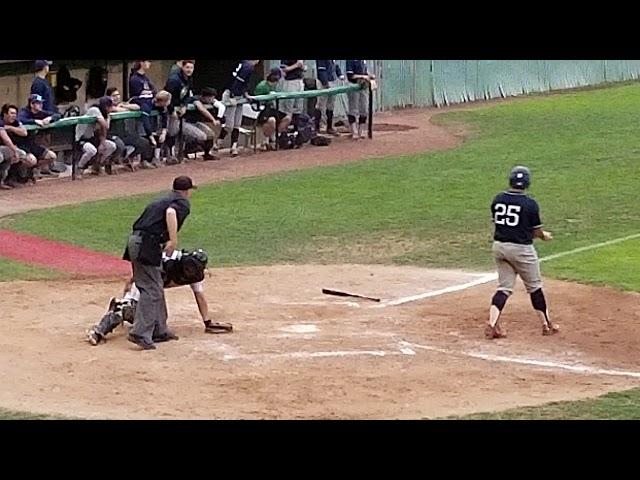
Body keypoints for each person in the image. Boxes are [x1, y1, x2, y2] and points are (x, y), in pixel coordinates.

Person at [86, 248, 233, 346]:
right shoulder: (169, 259)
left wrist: (207, 322)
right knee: (129, 309)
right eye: (189, 267)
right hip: (144, 281)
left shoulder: (196, 275)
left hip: (156, 289)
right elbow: (143, 265)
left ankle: (128, 311)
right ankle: (100, 329)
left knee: (157, 330)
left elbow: (199, 296)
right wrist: (129, 283)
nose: (190, 271)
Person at [122, 176, 196, 350]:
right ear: (186, 191)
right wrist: (173, 240)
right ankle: (140, 332)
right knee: (151, 289)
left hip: (138, 241)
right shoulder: (180, 202)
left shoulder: (164, 197)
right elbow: (170, 213)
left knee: (155, 284)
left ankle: (159, 329)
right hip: (146, 243)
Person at [485, 166, 560, 339]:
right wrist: (544, 236)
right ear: (527, 183)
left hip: (500, 247)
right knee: (534, 287)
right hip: (522, 250)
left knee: (504, 288)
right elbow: (536, 231)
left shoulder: (498, 199)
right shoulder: (530, 204)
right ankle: (546, 325)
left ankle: (492, 323)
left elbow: (497, 222)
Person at [221, 60, 260, 157]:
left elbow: (243, 83)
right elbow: (238, 81)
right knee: (229, 125)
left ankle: (233, 147)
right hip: (231, 93)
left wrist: (245, 94)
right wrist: (232, 95)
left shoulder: (245, 63)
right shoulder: (248, 66)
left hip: (238, 94)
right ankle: (216, 145)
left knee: (237, 123)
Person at [252, 68, 288, 151]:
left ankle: (274, 139)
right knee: (272, 120)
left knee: (287, 118)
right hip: (261, 111)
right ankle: (266, 141)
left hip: (271, 109)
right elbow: (256, 101)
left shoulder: (275, 86)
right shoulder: (262, 86)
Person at [345, 60, 375, 140]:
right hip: (353, 85)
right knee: (353, 109)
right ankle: (354, 132)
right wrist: (362, 76)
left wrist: (368, 76)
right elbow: (350, 76)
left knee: (364, 109)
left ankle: (360, 132)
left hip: (363, 86)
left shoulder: (363, 61)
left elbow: (365, 72)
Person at [313, 60, 344, 135]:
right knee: (321, 105)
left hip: (333, 81)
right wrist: (325, 83)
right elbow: (321, 70)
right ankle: (318, 127)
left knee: (331, 105)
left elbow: (336, 66)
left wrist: (340, 75)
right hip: (323, 83)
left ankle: (329, 127)